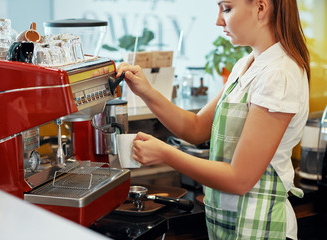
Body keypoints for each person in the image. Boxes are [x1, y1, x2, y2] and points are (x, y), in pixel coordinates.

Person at [116, 0, 310, 239]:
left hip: (262, 226)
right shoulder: (246, 65)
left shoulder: (279, 75)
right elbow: (196, 128)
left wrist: (166, 153)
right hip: (232, 223)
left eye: (226, 8)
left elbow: (240, 179)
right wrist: (145, 91)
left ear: (261, 8)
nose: (218, 20)